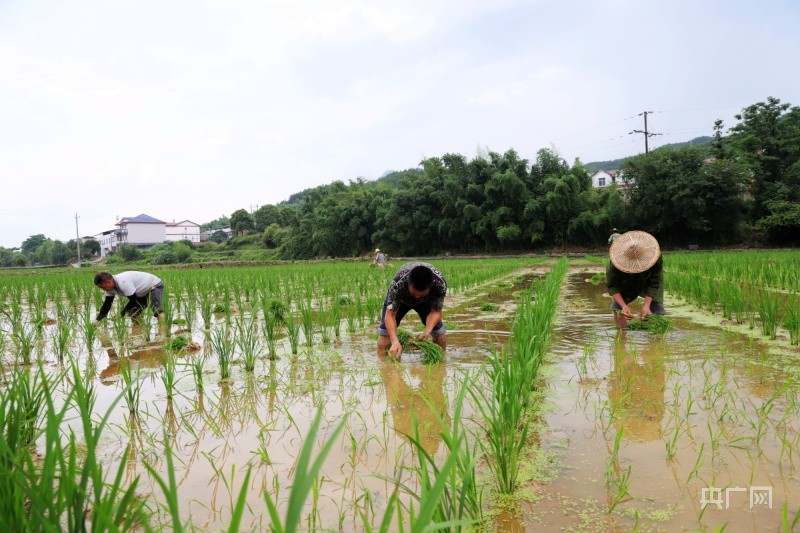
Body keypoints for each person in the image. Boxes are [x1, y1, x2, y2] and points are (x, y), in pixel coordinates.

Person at [377, 262, 447, 359]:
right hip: (401, 301)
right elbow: (390, 315)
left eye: (421, 295)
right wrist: (395, 341)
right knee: (384, 336)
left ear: (430, 287)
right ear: (408, 284)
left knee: (440, 335)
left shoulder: (440, 284)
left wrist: (427, 332)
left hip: (426, 302)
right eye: (414, 294)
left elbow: (436, 311)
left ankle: (441, 362)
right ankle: (384, 363)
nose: (417, 297)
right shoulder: (398, 284)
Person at [606, 231, 665, 329]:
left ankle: (655, 336)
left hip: (647, 279)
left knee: (657, 309)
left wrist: (646, 306)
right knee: (618, 308)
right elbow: (612, 286)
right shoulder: (616, 263)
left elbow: (654, 282)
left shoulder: (655, 257)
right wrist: (624, 306)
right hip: (626, 281)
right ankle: (621, 334)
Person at [93, 271, 164, 325]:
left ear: (108, 282)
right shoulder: (109, 289)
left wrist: (121, 314)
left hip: (154, 286)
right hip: (140, 293)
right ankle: (138, 330)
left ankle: (163, 330)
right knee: (133, 312)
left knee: (157, 310)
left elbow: (133, 301)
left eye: (103, 287)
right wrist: (97, 320)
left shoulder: (123, 282)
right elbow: (107, 305)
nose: (104, 290)